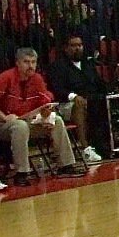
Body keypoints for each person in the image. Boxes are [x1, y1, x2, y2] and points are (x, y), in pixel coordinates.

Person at [0, 48, 82, 186]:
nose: (31, 66)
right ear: (17, 63)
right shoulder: (7, 77)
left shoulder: (37, 79)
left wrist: (47, 114)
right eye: (26, 62)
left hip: (26, 121)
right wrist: (4, 117)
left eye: (33, 62)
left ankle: (66, 166)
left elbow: (46, 100)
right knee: (19, 126)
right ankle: (21, 173)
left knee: (56, 120)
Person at [47, 34, 106, 163]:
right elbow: (57, 89)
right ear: (66, 48)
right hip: (65, 104)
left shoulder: (88, 64)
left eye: (79, 45)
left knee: (103, 103)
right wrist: (73, 96)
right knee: (79, 105)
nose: (77, 48)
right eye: (73, 46)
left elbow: (98, 83)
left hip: (91, 101)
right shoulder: (58, 66)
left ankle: (105, 145)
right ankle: (85, 149)